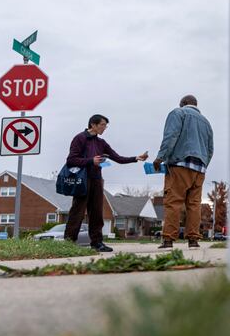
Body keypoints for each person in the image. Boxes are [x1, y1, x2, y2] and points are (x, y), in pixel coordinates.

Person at [65, 114, 148, 252]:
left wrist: (136, 158)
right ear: (93, 124)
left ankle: (97, 243)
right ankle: (69, 242)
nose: (105, 128)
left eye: (105, 125)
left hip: (97, 180)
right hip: (82, 180)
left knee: (97, 212)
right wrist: (91, 161)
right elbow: (71, 160)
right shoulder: (79, 138)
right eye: (103, 125)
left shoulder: (101, 143)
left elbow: (118, 158)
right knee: (77, 211)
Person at [153, 95, 214, 249]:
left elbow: (171, 136)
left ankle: (168, 240)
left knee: (173, 202)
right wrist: (204, 164)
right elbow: (210, 149)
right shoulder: (206, 122)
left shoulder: (178, 113)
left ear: (183, 103)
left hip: (180, 164)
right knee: (194, 205)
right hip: (199, 169)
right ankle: (193, 240)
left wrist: (160, 158)